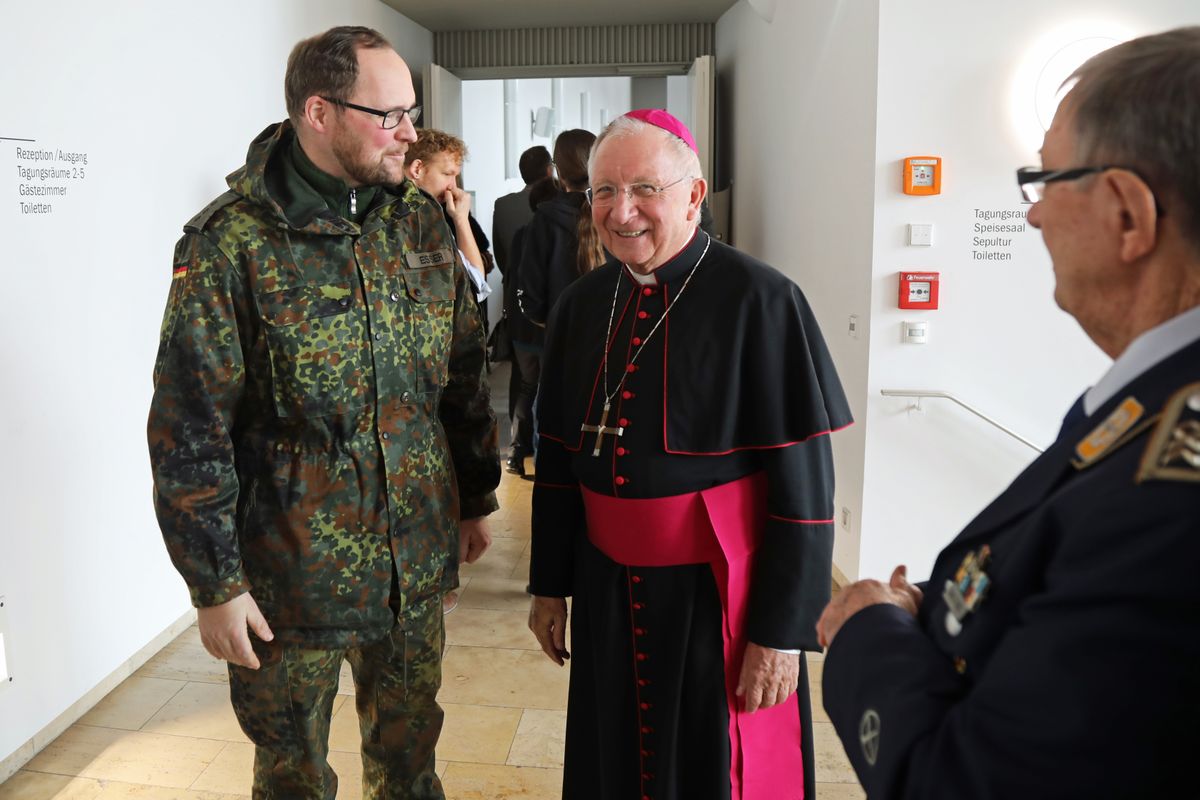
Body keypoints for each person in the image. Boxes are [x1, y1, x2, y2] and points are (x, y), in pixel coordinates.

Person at [817, 27, 1200, 799]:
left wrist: (865, 628)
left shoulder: (1166, 499)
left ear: (1128, 214)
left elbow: (969, 782)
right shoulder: (1148, 404)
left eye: (1045, 178)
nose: (1031, 215)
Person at [147, 26, 499, 800]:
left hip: (412, 563)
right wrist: (214, 586)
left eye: (412, 112)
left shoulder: (417, 220)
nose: (410, 133)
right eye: (389, 115)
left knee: (410, 770)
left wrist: (473, 497)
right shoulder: (230, 242)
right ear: (319, 111)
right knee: (292, 780)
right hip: (286, 582)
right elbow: (188, 425)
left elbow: (462, 375)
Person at [527, 109, 852, 800]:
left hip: (715, 596)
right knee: (612, 757)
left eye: (644, 188)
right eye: (603, 191)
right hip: (606, 587)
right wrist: (549, 584)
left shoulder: (762, 300)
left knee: (712, 768)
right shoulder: (583, 305)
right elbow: (556, 460)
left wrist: (782, 632)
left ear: (694, 194)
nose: (622, 211)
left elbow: (805, 491)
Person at [512, 129, 615, 477]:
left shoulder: (544, 219)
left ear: (556, 169)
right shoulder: (616, 214)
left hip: (560, 353)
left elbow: (531, 297)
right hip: (612, 351)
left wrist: (555, 325)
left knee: (554, 450)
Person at [493, 146, 553, 475]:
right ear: (549, 172)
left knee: (524, 383)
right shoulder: (563, 217)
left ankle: (518, 448)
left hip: (518, 314)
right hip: (546, 319)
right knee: (548, 386)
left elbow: (504, 263)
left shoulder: (504, 207)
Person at [402, 129, 494, 328]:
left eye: (455, 176)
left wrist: (461, 219)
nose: (452, 186)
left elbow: (475, 281)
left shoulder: (435, 216)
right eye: (447, 174)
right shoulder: (401, 220)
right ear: (417, 169)